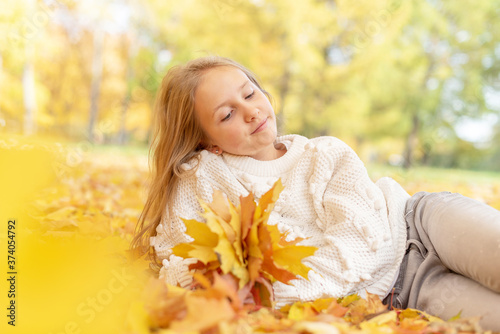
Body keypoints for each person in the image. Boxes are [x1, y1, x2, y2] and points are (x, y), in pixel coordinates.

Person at [132, 56, 500, 330]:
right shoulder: (202, 178)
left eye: (250, 93)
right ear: (203, 140)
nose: (250, 111)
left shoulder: (325, 153)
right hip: (403, 289)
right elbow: (185, 267)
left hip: (418, 222)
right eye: (226, 115)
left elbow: (357, 246)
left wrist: (276, 288)